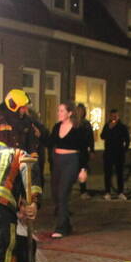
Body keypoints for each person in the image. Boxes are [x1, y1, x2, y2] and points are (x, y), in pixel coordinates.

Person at [48, 102, 90, 238]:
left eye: (61, 111)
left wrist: (83, 169)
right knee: (55, 193)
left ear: (69, 113)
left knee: (63, 193)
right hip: (57, 161)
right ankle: (67, 224)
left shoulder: (78, 128)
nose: (58, 113)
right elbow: (49, 142)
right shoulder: (56, 127)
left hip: (71, 161)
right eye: (58, 110)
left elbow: (84, 149)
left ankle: (61, 228)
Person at [100, 109, 130, 200]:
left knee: (119, 173)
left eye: (115, 116)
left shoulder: (122, 127)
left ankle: (120, 192)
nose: (114, 118)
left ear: (118, 116)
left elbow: (127, 139)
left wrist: (124, 150)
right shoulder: (107, 125)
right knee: (108, 173)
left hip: (119, 153)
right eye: (112, 116)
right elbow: (102, 136)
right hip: (108, 153)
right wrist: (109, 128)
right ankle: (107, 192)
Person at [77, 103, 95, 199]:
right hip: (74, 151)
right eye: (78, 110)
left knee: (82, 171)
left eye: (81, 110)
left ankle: (83, 191)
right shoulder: (72, 123)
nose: (80, 112)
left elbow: (91, 138)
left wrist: (92, 150)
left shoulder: (86, 124)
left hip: (83, 151)